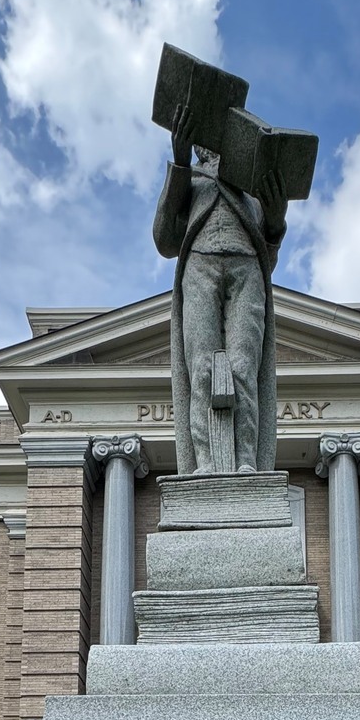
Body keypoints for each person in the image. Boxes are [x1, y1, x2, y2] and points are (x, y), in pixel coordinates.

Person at [153, 104, 289, 476]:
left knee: (244, 368)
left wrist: (276, 217)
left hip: (247, 269)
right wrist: (179, 164)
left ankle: (246, 460)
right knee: (202, 370)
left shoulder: (252, 188)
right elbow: (165, 240)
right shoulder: (191, 180)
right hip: (199, 267)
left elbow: (269, 253)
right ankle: (206, 465)